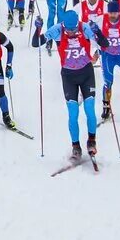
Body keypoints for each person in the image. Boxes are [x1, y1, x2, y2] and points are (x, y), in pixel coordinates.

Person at [32, 10, 109, 161]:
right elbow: (36, 43)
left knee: (89, 110)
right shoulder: (57, 30)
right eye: (69, 30)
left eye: (74, 29)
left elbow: (105, 44)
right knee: (73, 113)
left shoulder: (85, 27)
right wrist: (38, 28)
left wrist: (97, 30)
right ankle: (76, 146)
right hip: (68, 76)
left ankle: (91, 141)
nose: (72, 32)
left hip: (86, 73)